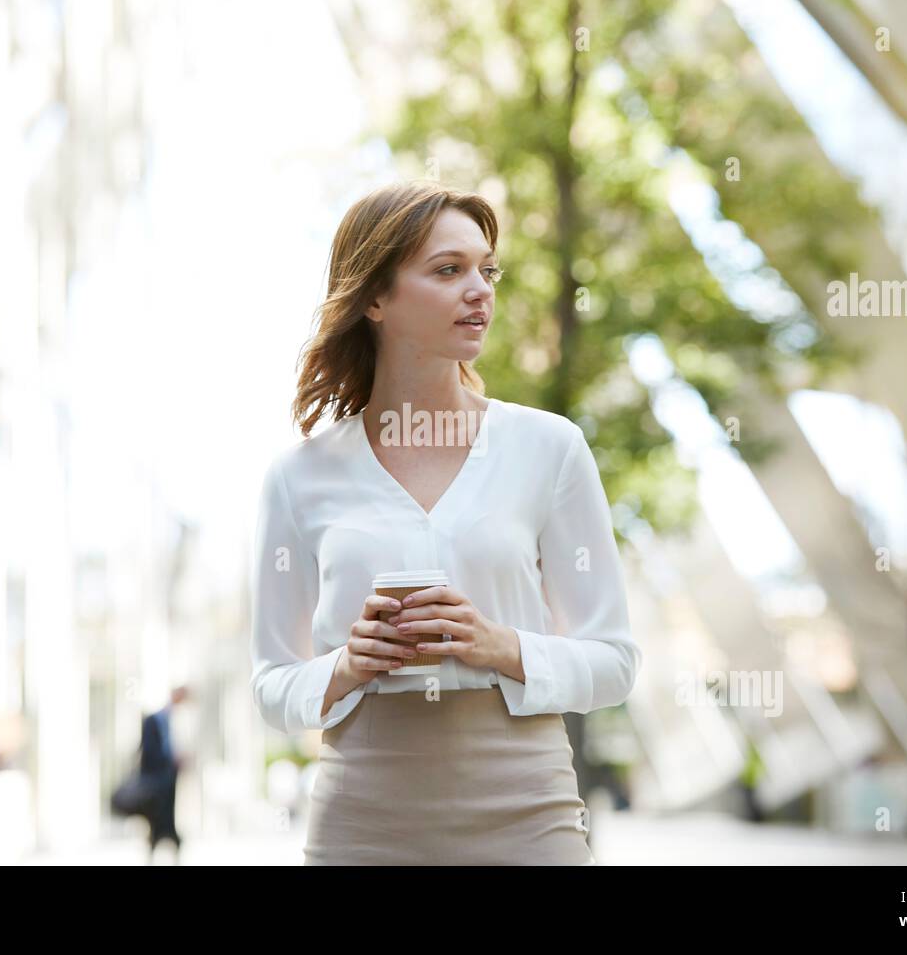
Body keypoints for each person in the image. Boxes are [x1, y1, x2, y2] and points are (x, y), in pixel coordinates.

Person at [249, 181, 643, 865]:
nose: (480, 290)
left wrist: (501, 646)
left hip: (528, 812)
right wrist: (346, 665)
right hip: (362, 819)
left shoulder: (549, 448)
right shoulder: (298, 476)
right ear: (374, 298)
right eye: (448, 270)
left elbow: (614, 662)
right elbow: (272, 684)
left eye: (486, 270)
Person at [140, 685, 189, 861]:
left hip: (168, 782)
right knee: (157, 823)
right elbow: (149, 753)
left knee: (167, 823)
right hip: (156, 783)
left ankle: (171, 855)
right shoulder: (154, 720)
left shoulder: (172, 720)